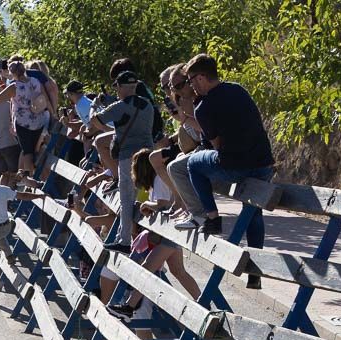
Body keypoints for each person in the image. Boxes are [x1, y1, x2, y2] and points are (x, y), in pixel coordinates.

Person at [172, 53, 274, 247]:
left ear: (201, 78)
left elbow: (217, 146)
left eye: (191, 80)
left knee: (193, 164)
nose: (190, 85)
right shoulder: (239, 89)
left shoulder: (203, 107)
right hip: (264, 164)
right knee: (253, 210)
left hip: (237, 167)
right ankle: (254, 268)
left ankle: (212, 217)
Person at [89, 71, 156, 253]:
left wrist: (94, 106)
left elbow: (94, 120)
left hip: (128, 157)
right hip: (148, 156)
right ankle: (149, 240)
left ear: (119, 87)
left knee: (126, 200)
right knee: (150, 195)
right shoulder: (148, 105)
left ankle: (124, 240)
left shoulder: (119, 107)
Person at [0, 167, 43, 305]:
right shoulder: (3, 189)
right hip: (6, 227)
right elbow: (22, 196)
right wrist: (39, 196)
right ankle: (9, 254)